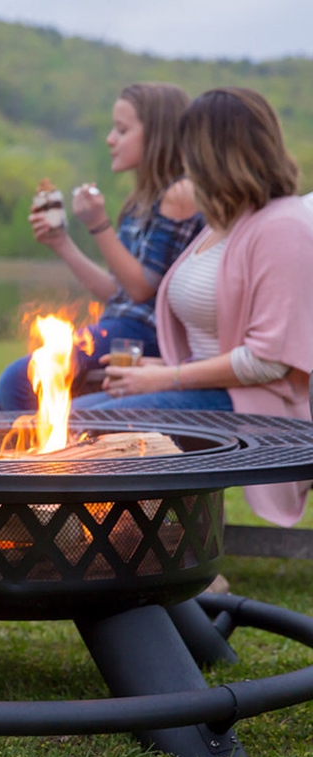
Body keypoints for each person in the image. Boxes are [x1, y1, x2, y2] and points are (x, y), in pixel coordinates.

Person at [72, 87, 313, 526]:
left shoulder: (282, 227)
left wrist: (168, 377)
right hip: (211, 388)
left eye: (189, 146)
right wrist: (159, 367)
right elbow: (216, 342)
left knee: (89, 432)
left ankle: (159, 561)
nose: (181, 159)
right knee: (74, 419)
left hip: (256, 404)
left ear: (213, 151)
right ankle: (107, 554)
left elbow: (269, 361)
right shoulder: (225, 222)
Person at [0, 82, 204, 411]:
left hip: (148, 335)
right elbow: (117, 292)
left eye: (122, 130)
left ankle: (40, 462)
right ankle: (8, 462)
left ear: (158, 134)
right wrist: (62, 243)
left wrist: (98, 225)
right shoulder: (137, 204)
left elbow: (142, 289)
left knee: (18, 381)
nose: (110, 139)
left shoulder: (180, 194)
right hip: (124, 325)